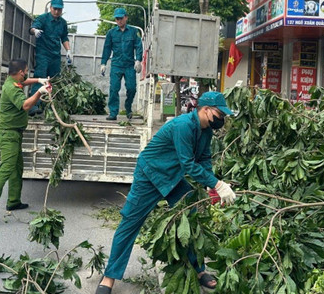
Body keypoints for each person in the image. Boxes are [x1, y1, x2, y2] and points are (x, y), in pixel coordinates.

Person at [95, 92, 237, 294]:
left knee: (191, 216)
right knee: (130, 223)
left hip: (172, 176)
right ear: (205, 110)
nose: (221, 119)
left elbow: (204, 159)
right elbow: (188, 164)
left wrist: (210, 184)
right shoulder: (183, 126)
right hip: (150, 173)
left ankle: (199, 270)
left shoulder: (206, 132)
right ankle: (109, 277)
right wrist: (219, 184)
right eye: (220, 114)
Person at [0, 59, 51, 229]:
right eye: (25, 71)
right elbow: (25, 105)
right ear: (20, 72)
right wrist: (39, 92)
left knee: (17, 168)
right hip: (8, 134)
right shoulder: (11, 88)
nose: (26, 74)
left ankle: (13, 201)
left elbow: (25, 82)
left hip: (15, 133)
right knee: (6, 170)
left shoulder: (13, 81)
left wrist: (39, 80)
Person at [28, 0, 71, 115]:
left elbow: (64, 37)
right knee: (40, 78)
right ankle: (33, 106)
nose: (57, 11)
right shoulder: (43, 18)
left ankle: (48, 106)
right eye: (55, 9)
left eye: (59, 9)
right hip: (43, 54)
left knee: (54, 80)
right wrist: (35, 31)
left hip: (55, 56)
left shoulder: (62, 23)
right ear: (50, 7)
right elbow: (32, 27)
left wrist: (68, 50)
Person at [100, 7, 143, 120]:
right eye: (117, 19)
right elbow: (107, 49)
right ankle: (113, 113)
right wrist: (103, 63)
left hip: (129, 65)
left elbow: (138, 46)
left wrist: (138, 60)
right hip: (116, 65)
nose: (119, 20)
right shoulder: (111, 33)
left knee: (132, 88)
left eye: (121, 18)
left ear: (126, 18)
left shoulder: (133, 32)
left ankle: (128, 107)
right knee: (114, 88)